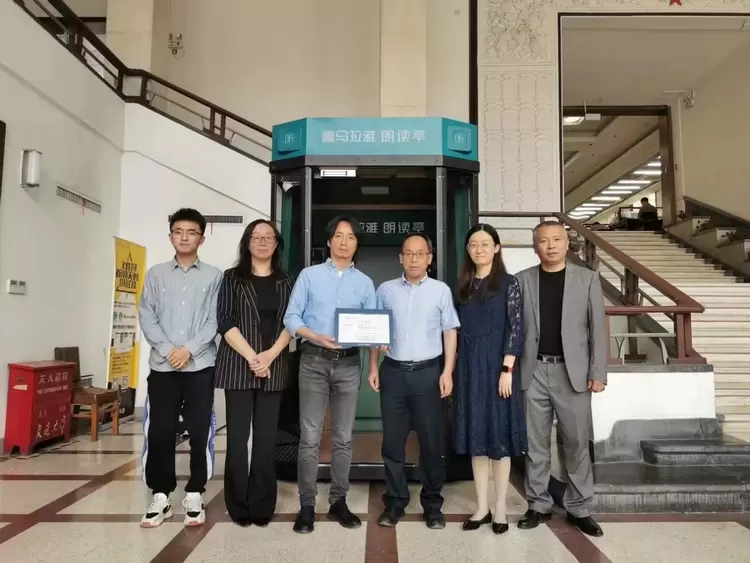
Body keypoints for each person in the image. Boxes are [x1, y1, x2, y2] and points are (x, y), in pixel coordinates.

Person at [283, 216, 376, 534]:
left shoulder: (365, 283)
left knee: (343, 437)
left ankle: (338, 501)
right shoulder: (309, 276)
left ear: (357, 244)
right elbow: (291, 317)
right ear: (329, 241)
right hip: (313, 361)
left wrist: (376, 349)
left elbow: (372, 327)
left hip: (349, 364)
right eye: (338, 235)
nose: (344, 242)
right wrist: (315, 336)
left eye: (350, 237)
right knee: (309, 437)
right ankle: (306, 505)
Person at [515, 220, 607, 537]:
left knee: (577, 442)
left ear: (567, 244)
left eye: (557, 239)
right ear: (535, 246)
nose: (551, 245)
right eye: (544, 240)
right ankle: (538, 504)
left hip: (574, 372)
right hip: (534, 370)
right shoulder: (522, 280)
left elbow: (597, 329)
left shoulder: (587, 279)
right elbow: (515, 329)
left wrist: (598, 372)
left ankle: (579, 507)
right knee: (535, 443)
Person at [368, 233, 460, 530]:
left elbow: (450, 331)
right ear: (401, 258)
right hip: (393, 373)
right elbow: (375, 330)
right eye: (408, 253)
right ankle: (395, 502)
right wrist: (373, 366)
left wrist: (447, 371)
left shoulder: (440, 291)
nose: (414, 259)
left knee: (431, 442)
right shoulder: (385, 290)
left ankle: (432, 504)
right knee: (392, 443)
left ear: (429, 258)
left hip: (428, 374)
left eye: (420, 254)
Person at [139, 208, 222, 528]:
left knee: (200, 431)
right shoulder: (156, 274)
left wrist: (188, 350)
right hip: (163, 368)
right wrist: (167, 350)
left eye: (191, 232)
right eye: (178, 231)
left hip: (200, 366)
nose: (184, 237)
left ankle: (195, 492)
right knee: (160, 431)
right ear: (170, 236)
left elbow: (215, 319)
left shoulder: (214, 276)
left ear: (202, 238)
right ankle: (160, 495)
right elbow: (147, 316)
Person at [215, 219, 294, 527]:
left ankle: (262, 505)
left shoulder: (286, 281)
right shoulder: (232, 277)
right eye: (256, 237)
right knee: (237, 439)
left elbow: (292, 322)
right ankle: (238, 504)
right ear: (247, 242)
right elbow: (225, 320)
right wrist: (252, 356)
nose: (262, 242)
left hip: (274, 365)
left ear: (276, 244)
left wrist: (269, 355)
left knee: (265, 439)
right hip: (238, 365)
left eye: (268, 237)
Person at [452, 224, 525, 535]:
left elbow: (516, 328)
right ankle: (481, 507)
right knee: (477, 439)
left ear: (496, 247)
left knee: (499, 438)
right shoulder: (463, 285)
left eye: (485, 243)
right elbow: (454, 331)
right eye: (473, 244)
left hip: (498, 367)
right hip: (469, 368)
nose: (478, 249)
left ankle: (500, 509)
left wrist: (507, 369)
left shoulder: (509, 283)